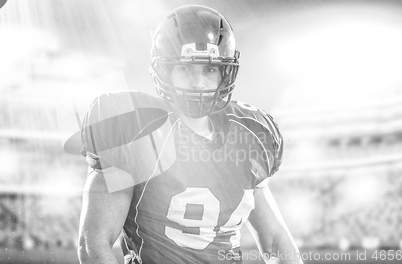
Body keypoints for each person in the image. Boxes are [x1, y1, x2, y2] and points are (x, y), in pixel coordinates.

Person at [78, 5, 302, 264]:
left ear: (224, 73)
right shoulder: (133, 131)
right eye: (185, 69)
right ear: (165, 72)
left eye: (209, 69)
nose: (198, 83)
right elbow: (93, 244)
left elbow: (275, 240)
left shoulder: (248, 136)